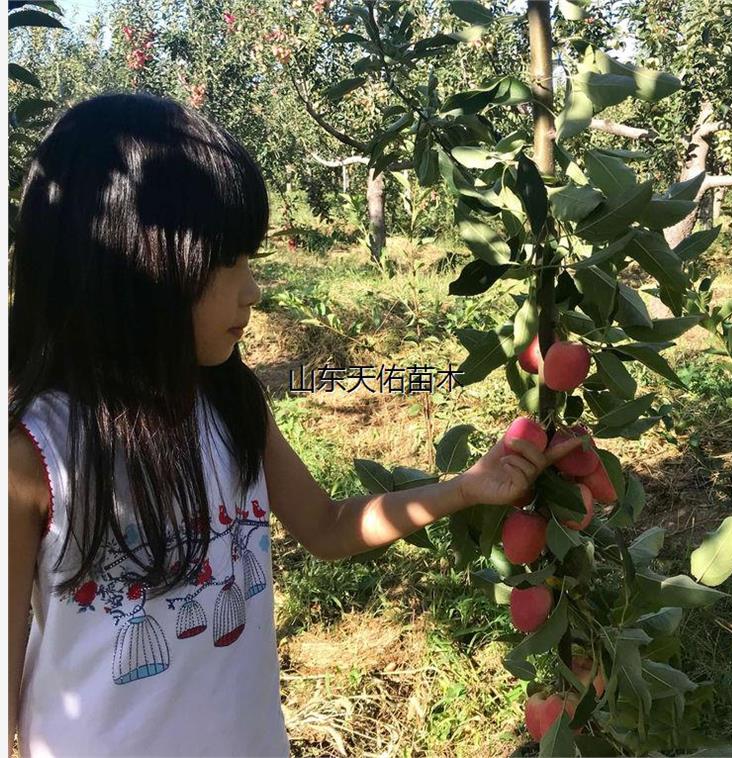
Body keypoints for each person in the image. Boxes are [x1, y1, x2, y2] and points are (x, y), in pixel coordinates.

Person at [8, 92, 583, 758]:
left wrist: (465, 488)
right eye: (227, 263)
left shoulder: (228, 401)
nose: (252, 291)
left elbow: (329, 526)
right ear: (130, 270)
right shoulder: (35, 455)